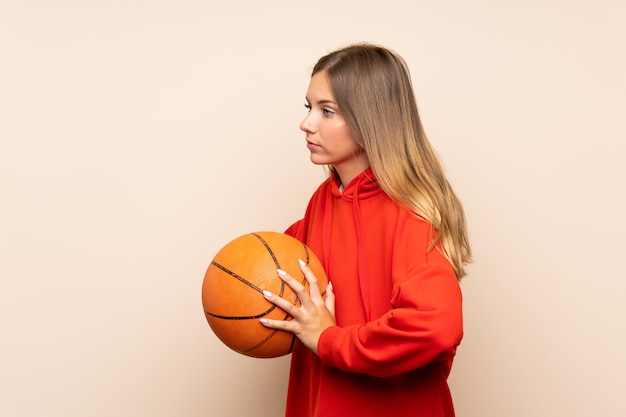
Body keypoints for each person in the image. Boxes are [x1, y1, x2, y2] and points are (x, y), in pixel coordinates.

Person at [259, 43, 472, 417]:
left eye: (327, 111)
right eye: (309, 108)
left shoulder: (411, 214)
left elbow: (437, 325)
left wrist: (330, 339)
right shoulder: (324, 200)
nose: (307, 123)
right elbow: (276, 267)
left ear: (369, 120)